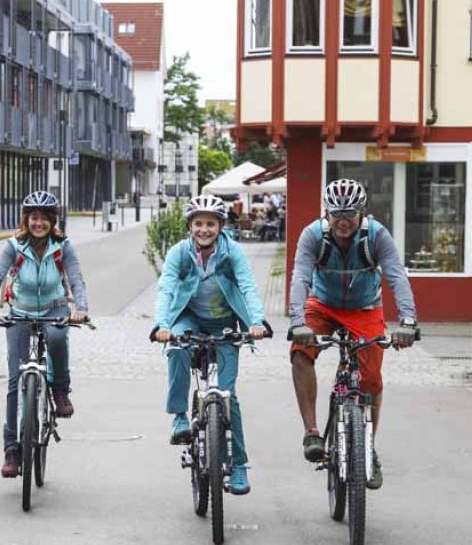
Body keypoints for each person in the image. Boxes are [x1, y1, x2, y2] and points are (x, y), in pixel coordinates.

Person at [288, 178, 418, 490]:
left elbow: (397, 275)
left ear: (362, 212)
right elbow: (300, 277)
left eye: (350, 213)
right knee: (300, 353)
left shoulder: (376, 236)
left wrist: (408, 320)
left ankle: (368, 447)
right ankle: (312, 433)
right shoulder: (313, 235)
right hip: (322, 304)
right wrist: (297, 322)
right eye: (336, 214)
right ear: (327, 213)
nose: (343, 221)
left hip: (365, 308)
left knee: (371, 380)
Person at [152, 194, 267, 495]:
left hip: (225, 323)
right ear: (190, 226)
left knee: (228, 396)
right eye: (199, 223)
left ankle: (239, 464)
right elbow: (166, 287)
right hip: (189, 318)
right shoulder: (179, 252)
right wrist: (163, 325)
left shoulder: (232, 253)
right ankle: (180, 417)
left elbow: (248, 285)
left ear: (220, 227)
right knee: (177, 348)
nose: (204, 229)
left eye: (211, 224)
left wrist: (256, 321)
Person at [0, 190, 89, 479]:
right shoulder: (13, 246)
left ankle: (60, 389)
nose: (38, 223)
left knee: (56, 337)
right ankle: (12, 450)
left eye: (44, 218)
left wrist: (82, 308)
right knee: (15, 381)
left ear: (53, 221)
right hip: (20, 311)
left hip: (54, 309)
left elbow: (76, 279)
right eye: (33, 217)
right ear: (26, 219)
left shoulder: (63, 246)